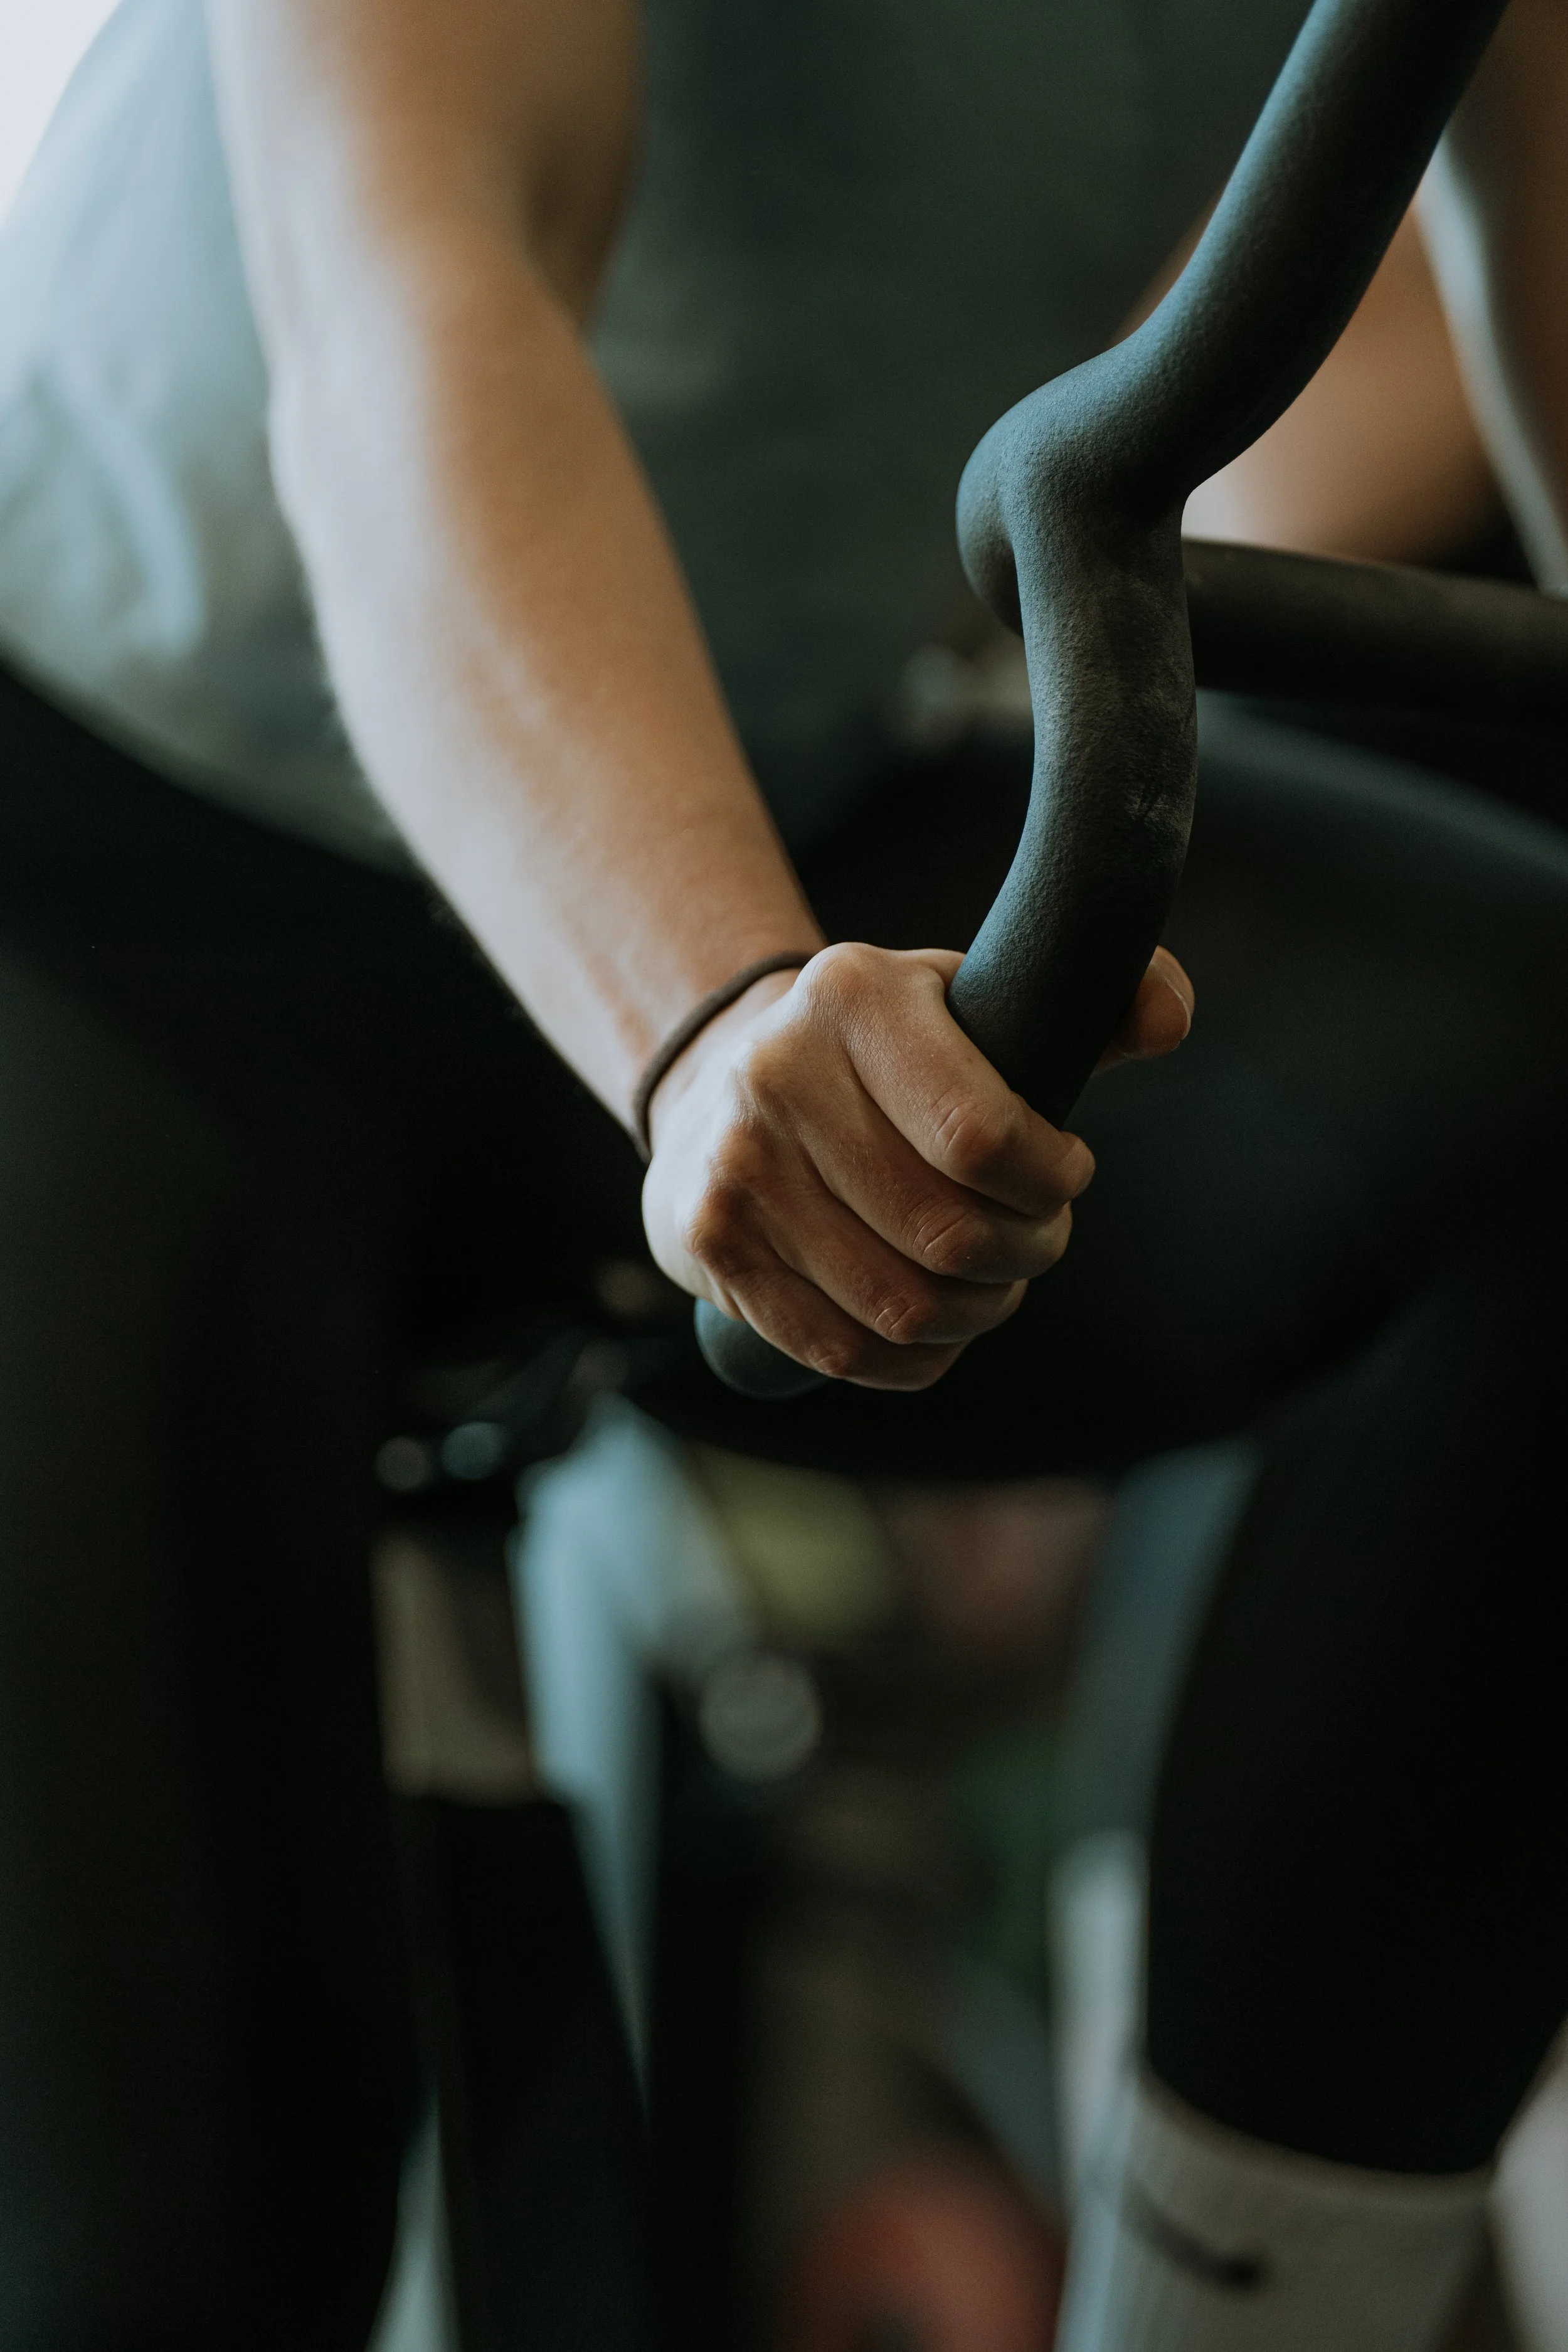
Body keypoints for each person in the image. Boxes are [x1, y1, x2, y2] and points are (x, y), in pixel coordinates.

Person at [0, 0, 1565, 2346]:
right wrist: (710, 1008)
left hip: (797, 785)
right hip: (124, 856)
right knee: (188, 2245)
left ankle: (1252, 2314)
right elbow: (417, 295)